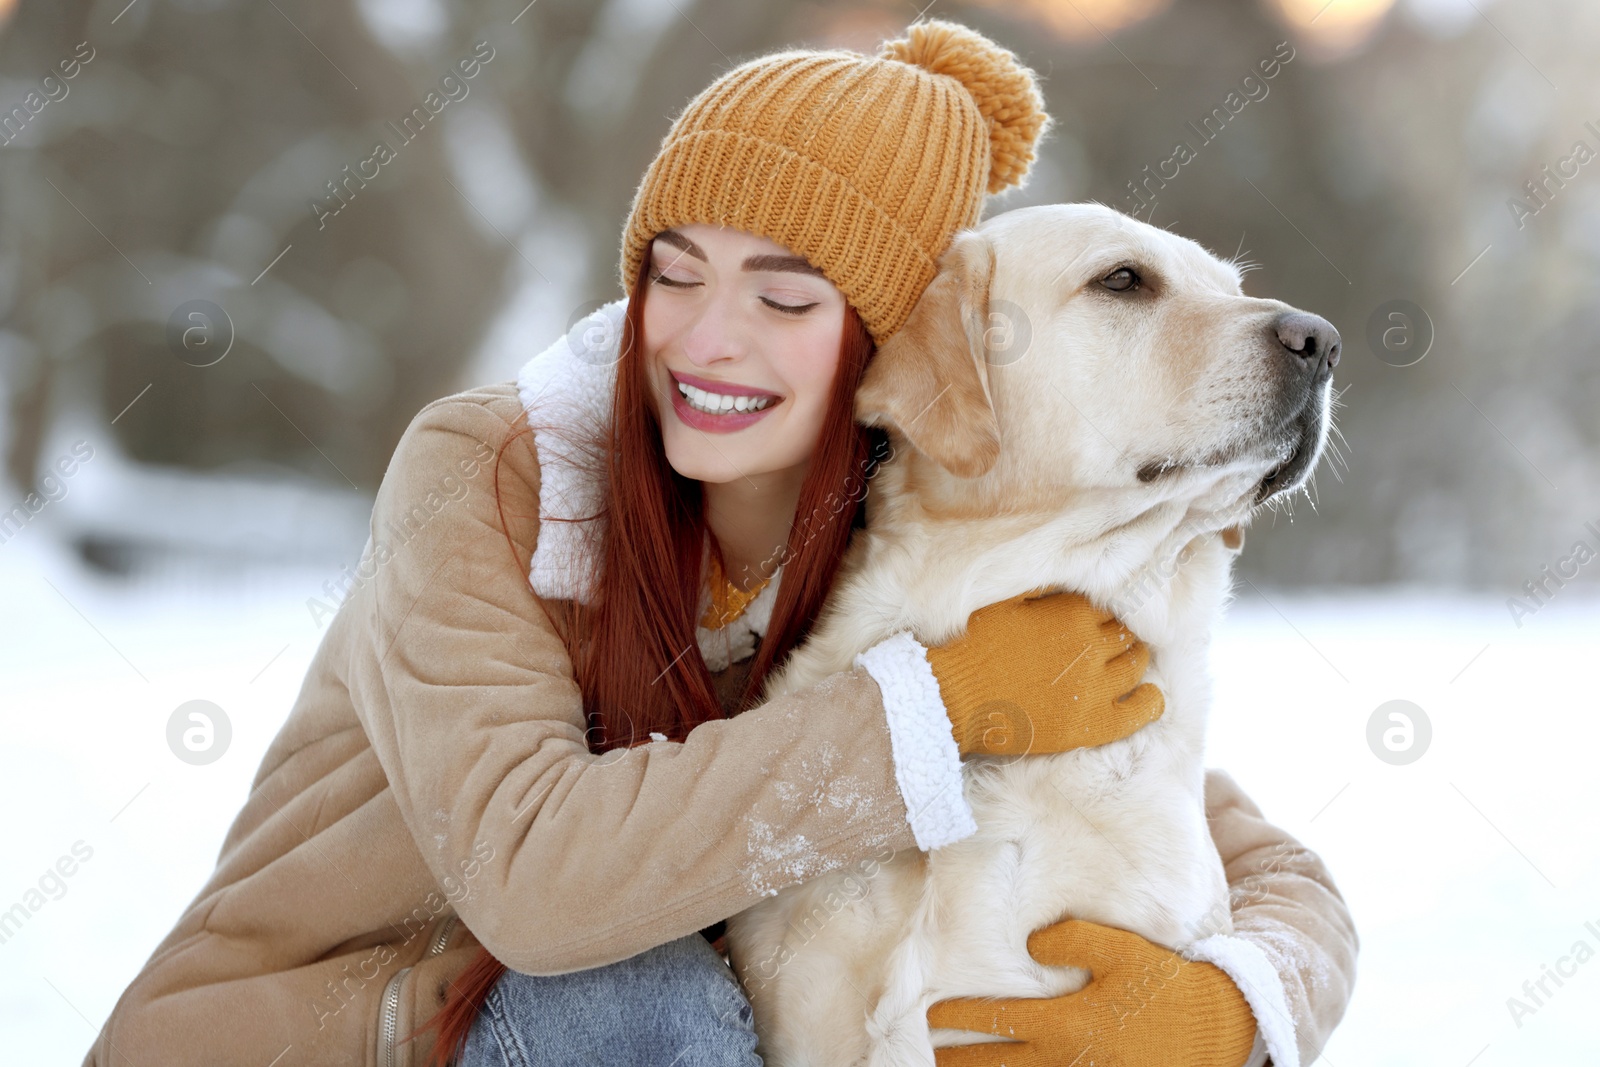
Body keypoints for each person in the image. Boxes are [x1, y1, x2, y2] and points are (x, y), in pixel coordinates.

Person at [81, 19, 1355, 1067]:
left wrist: (1230, 1006)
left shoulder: (890, 518)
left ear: (884, 349)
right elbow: (534, 879)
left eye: (786, 296)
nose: (707, 338)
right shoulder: (492, 473)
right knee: (646, 1000)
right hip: (343, 1028)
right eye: (673, 275)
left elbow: (1248, 852)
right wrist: (934, 706)